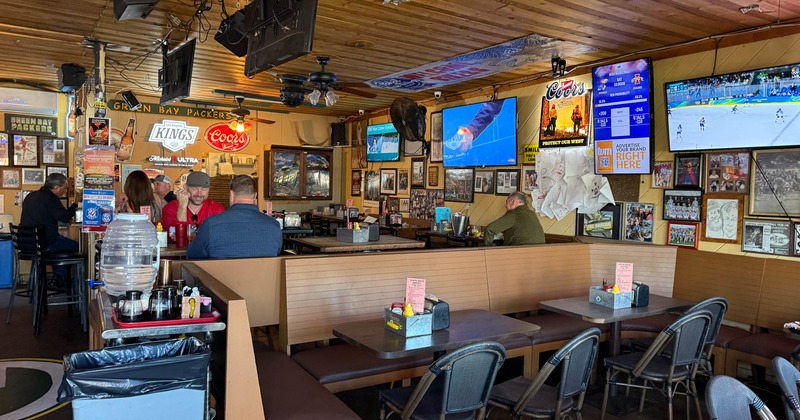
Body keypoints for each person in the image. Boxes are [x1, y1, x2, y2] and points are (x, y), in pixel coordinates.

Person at [187, 175, 282, 259]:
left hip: (221, 279)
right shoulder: (274, 225)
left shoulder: (211, 224)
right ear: (255, 196)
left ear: (231, 194)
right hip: (263, 278)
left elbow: (193, 255)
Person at [20, 173, 79, 282]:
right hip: (44, 243)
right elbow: (65, 218)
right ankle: (60, 278)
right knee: (77, 247)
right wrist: (75, 203)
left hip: (26, 243)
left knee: (61, 247)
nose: (65, 191)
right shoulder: (51, 198)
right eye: (64, 188)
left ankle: (57, 278)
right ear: (56, 187)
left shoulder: (30, 196)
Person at [161, 171, 224, 236]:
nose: (199, 193)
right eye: (194, 188)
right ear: (185, 187)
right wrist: (182, 207)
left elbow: (219, 237)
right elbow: (176, 237)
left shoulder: (216, 209)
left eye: (204, 189)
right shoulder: (170, 208)